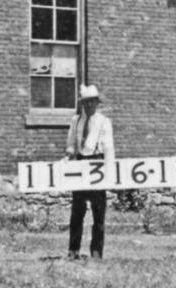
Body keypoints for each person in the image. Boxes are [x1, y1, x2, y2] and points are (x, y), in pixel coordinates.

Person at [64, 84, 115, 259]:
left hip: (97, 164)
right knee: (77, 211)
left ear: (97, 103)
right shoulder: (76, 121)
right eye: (86, 102)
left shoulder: (104, 122)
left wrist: (109, 172)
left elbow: (108, 148)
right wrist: (69, 154)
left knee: (98, 213)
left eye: (92, 102)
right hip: (80, 164)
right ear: (82, 103)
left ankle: (96, 252)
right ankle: (73, 251)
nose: (89, 106)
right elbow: (71, 143)